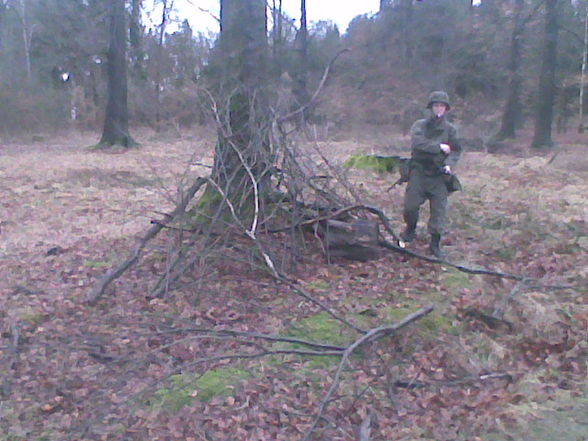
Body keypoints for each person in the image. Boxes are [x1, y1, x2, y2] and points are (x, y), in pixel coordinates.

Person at [401, 91, 462, 258]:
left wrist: (449, 164)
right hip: (419, 172)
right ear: (430, 107)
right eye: (436, 105)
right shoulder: (419, 125)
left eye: (442, 106)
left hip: (438, 175)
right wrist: (439, 147)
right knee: (410, 207)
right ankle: (410, 229)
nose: (438, 109)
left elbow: (456, 150)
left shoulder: (450, 130)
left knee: (438, 212)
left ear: (446, 109)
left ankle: (435, 244)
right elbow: (417, 143)